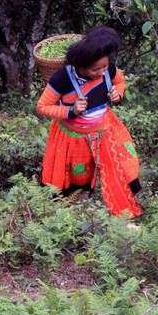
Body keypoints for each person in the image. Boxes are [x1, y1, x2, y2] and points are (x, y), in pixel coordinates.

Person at [37, 27, 142, 218]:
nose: (102, 72)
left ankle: (125, 215)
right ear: (81, 65)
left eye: (104, 66)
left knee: (123, 167)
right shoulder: (62, 79)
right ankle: (70, 218)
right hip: (74, 137)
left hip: (106, 129)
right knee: (77, 177)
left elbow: (119, 81)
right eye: (96, 69)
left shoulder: (108, 70)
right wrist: (71, 110)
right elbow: (43, 106)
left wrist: (118, 93)